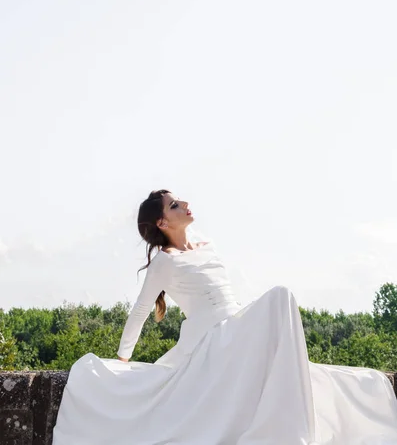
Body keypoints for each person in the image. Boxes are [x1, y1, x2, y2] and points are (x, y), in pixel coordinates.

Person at [53, 189, 397, 445]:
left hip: (236, 329)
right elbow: (142, 310)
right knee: (281, 297)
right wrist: (124, 357)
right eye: (174, 205)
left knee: (325, 376)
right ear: (162, 222)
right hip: (212, 341)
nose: (184, 204)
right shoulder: (165, 261)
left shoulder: (206, 244)